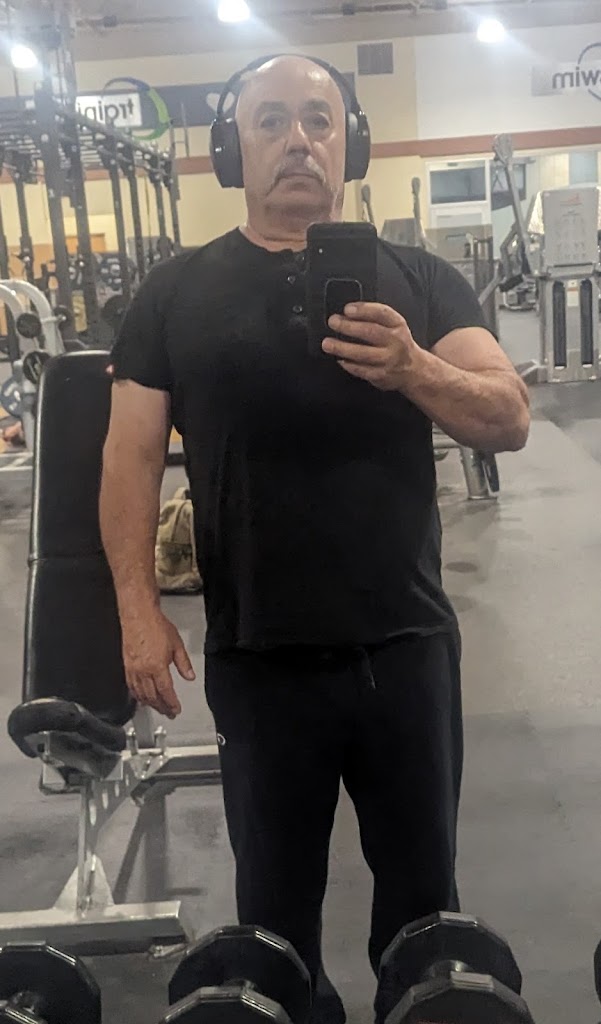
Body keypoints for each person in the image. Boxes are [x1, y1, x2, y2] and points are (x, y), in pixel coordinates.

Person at [100, 54, 530, 1023]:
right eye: (270, 121)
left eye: (318, 119)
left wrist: (413, 368)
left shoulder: (420, 280)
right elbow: (128, 458)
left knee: (423, 915)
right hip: (260, 661)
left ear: (350, 143)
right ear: (231, 150)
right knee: (273, 928)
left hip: (405, 652)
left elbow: (505, 415)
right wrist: (135, 609)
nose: (297, 139)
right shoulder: (173, 294)